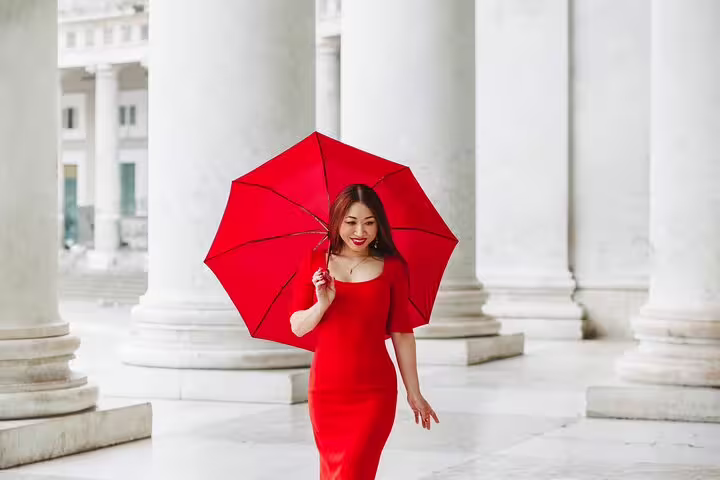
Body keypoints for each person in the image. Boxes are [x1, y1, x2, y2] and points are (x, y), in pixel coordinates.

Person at [290, 183, 439, 479]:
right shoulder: (316, 262)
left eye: (369, 223)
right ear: (337, 222)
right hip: (327, 391)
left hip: (374, 391)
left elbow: (402, 332)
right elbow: (297, 327)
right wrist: (322, 303)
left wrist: (414, 392)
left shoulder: (393, 267)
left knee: (354, 470)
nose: (361, 232)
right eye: (352, 222)